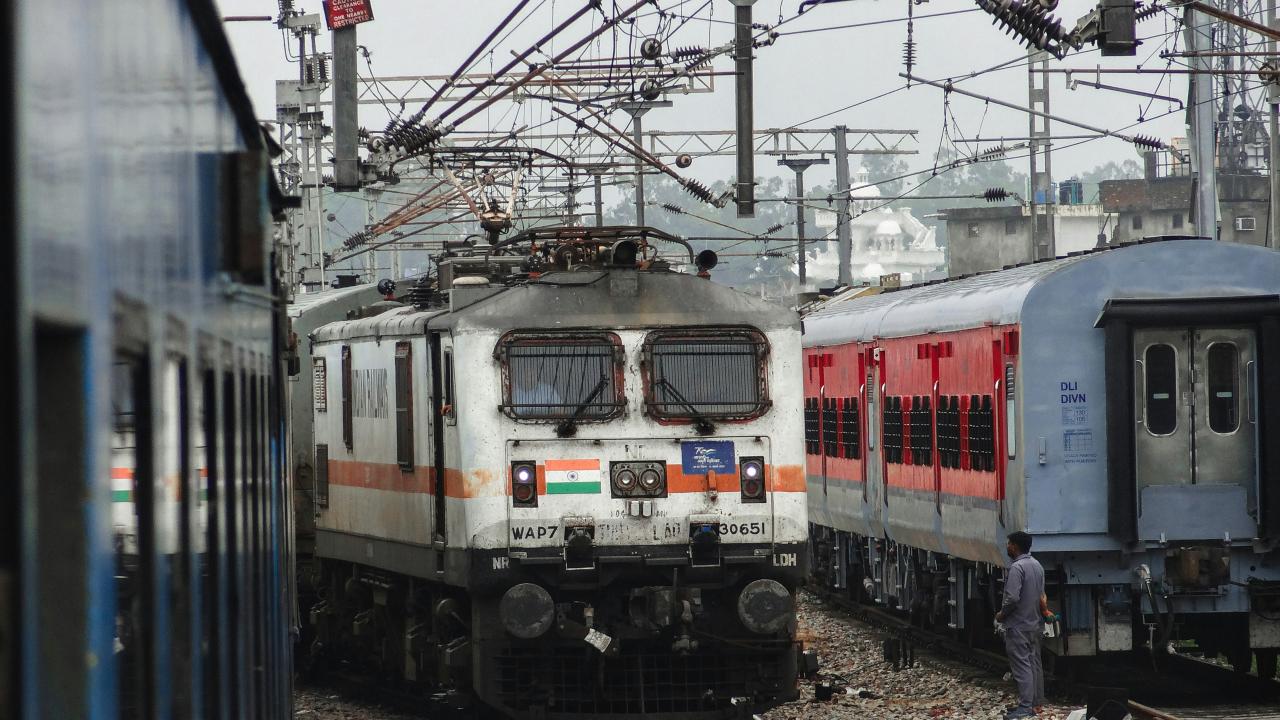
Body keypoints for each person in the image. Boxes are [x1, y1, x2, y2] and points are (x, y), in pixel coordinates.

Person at [996, 530, 1046, 719]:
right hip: (1034, 624)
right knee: (1034, 664)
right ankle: (1036, 702)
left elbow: (1012, 598)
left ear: (1015, 546)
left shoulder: (1017, 568)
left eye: (1009, 543)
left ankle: (1025, 707)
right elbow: (1042, 597)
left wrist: (1001, 615)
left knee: (1022, 665)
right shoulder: (1037, 565)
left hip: (1018, 625)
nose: (1007, 546)